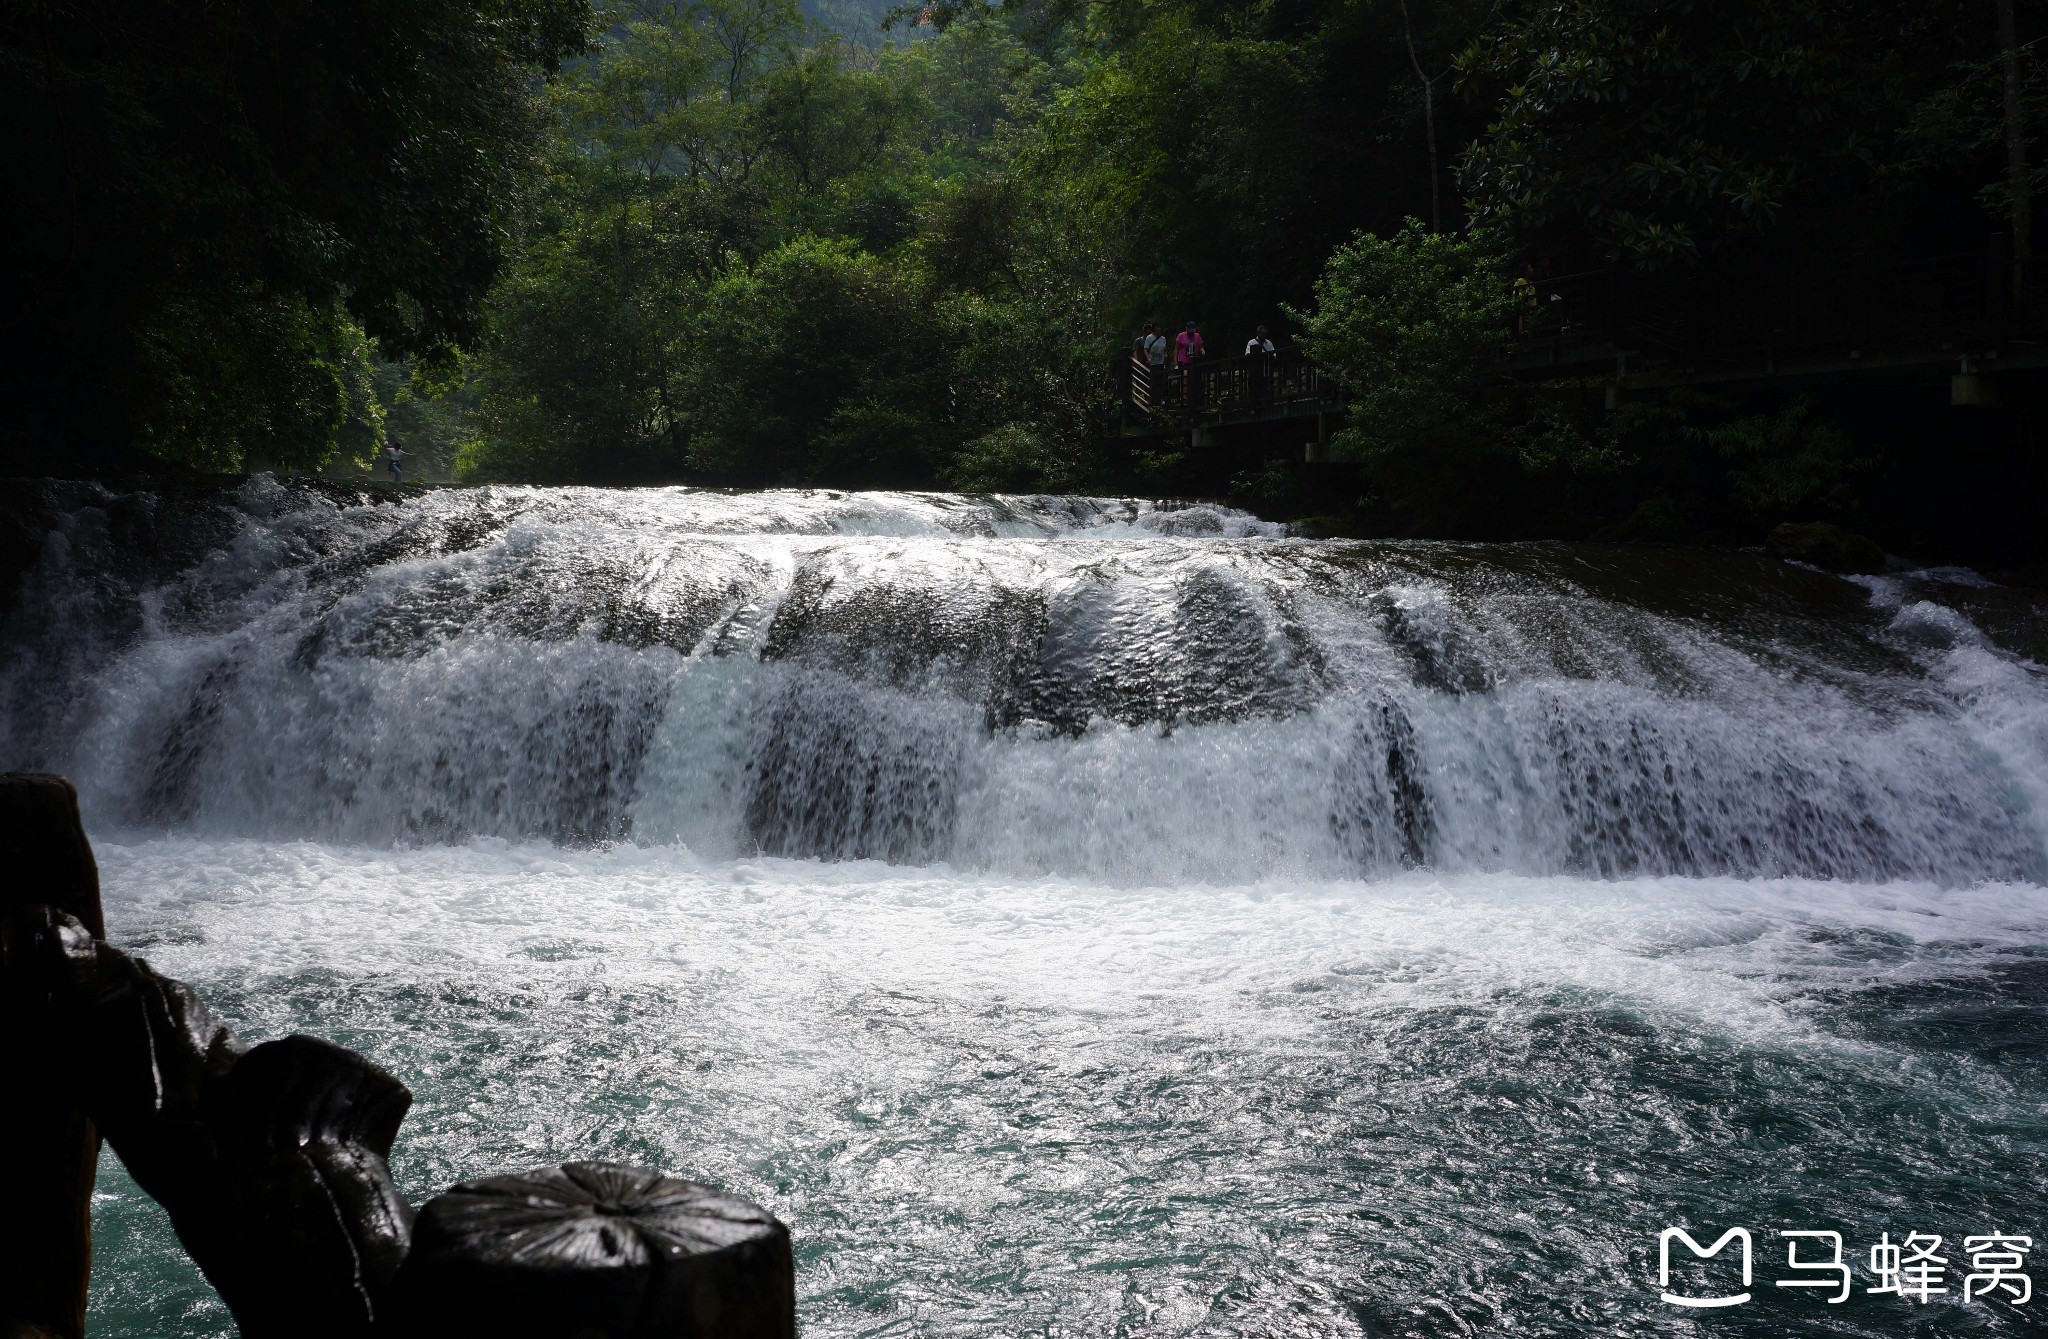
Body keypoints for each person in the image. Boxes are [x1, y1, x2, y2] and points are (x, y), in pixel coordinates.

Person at [1175, 320, 1206, 407]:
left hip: (1194, 361)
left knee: (1195, 378)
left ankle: (1195, 396)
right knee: (1185, 377)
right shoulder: (1181, 336)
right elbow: (1176, 349)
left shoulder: (1197, 336)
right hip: (1184, 361)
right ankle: (1184, 397)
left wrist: (1203, 352)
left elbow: (1200, 347)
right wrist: (1175, 361)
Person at [1244, 324, 1276, 405]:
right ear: (1258, 333)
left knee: (1268, 386)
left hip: (1267, 370)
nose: (1263, 335)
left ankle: (1268, 402)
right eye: (1262, 334)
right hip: (1256, 371)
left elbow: (1274, 355)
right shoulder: (1252, 342)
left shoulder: (1269, 343)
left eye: (1265, 334)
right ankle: (1256, 404)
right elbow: (1247, 354)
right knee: (1256, 387)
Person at [1139, 323, 1169, 405]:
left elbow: (1164, 348)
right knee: (1153, 382)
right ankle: (1152, 400)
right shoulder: (1149, 337)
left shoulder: (1163, 338)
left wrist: (1166, 354)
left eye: (1159, 327)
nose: (1158, 329)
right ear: (1154, 328)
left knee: (1161, 382)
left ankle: (1160, 400)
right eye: (1157, 327)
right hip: (1152, 363)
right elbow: (1145, 349)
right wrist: (1148, 358)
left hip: (1161, 362)